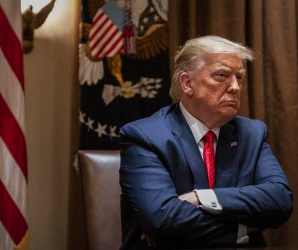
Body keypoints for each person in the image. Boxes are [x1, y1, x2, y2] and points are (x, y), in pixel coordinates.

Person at [119, 35, 293, 249]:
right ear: (187, 83)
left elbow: (280, 201)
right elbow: (164, 222)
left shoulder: (252, 133)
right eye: (222, 75)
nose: (235, 87)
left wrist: (201, 197)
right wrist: (245, 228)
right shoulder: (145, 136)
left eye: (239, 77)